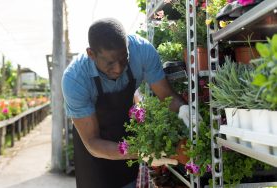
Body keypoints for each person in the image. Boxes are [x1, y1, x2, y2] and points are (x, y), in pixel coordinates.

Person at [62, 18, 191, 188]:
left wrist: (184, 109)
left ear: (128, 45)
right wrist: (142, 152)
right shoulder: (75, 79)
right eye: (110, 63)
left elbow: (166, 96)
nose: (118, 68)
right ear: (91, 54)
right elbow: (93, 142)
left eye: (124, 59)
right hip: (93, 148)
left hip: (126, 133)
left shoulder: (142, 51)